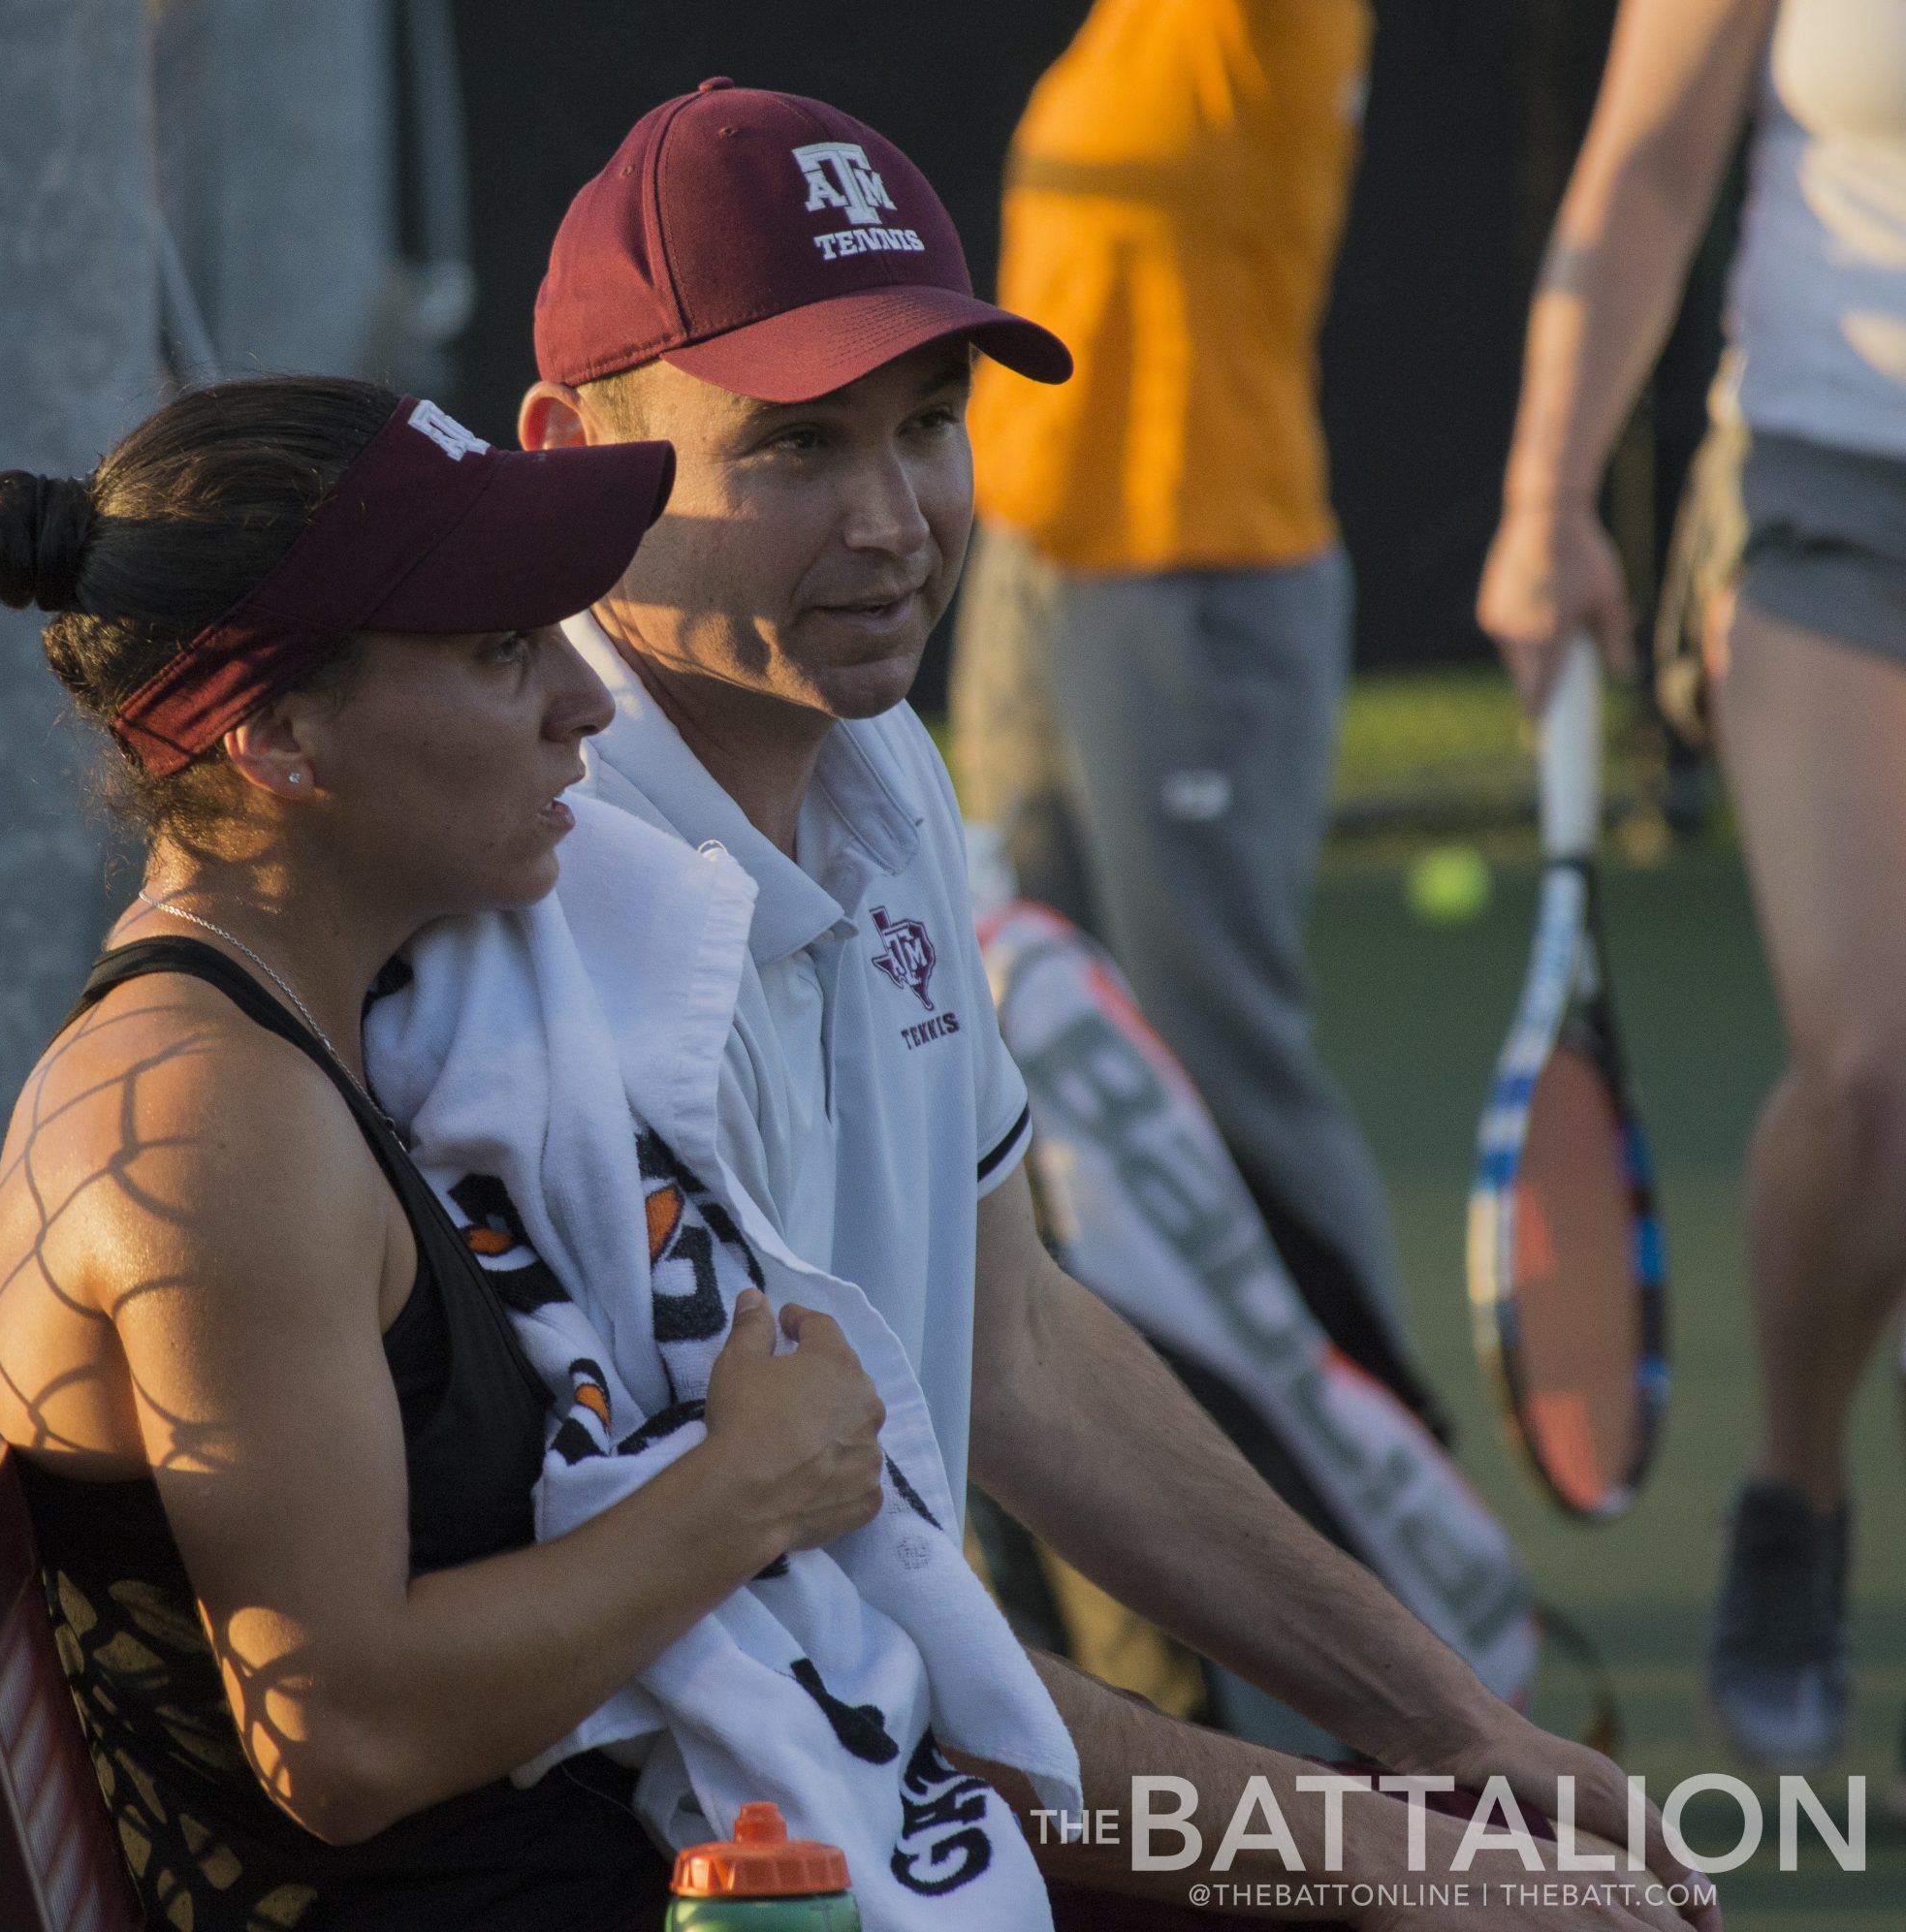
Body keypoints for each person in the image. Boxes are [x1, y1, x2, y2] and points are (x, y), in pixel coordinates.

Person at [524, 79, 1709, 1929]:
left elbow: (1023, 1349)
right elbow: (846, 1683)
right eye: (794, 448)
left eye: (928, 427)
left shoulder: (879, 759)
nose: (894, 518)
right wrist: (1388, 1850)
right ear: (565, 456)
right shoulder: (563, 919)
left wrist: (1450, 1731)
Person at [0, 376, 896, 1930]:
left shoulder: (312, 1039)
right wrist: (755, 1484)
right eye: (497, 651)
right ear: (273, 733)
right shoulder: (210, 1119)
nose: (584, 701)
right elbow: (343, 1729)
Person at [1477, 0, 1906, 1776]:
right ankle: (1796, 1487)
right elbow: (1645, 172)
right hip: (1832, 487)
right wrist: (1544, 492)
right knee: (1880, 1074)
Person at [946, 1, 1437, 1509]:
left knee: (1212, 1055)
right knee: (1011, 1025)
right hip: (1041, 564)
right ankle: (1111, 1485)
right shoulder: (1126, 33)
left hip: (1198, 579)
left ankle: (1385, 1482)